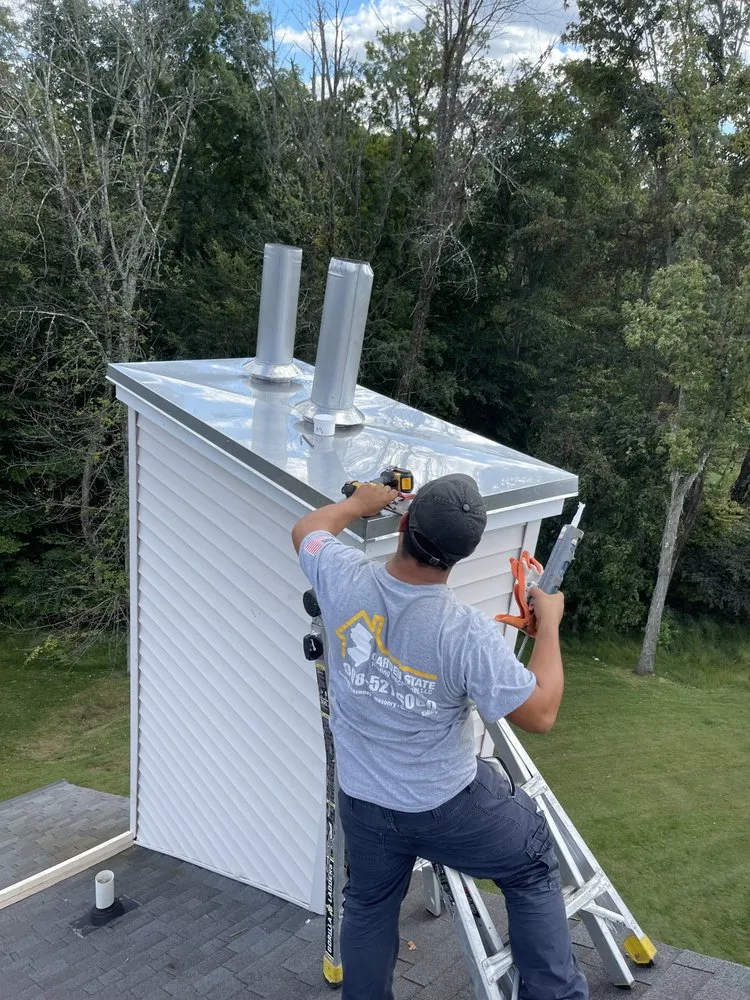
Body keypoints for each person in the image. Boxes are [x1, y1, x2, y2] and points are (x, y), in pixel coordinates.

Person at [292, 473, 587, 1000]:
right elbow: (541, 712)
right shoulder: (464, 633)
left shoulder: (341, 576)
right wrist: (552, 625)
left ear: (404, 524)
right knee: (535, 859)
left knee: (369, 904)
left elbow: (308, 529)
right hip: (447, 807)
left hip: (365, 801)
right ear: (462, 556)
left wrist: (358, 503)